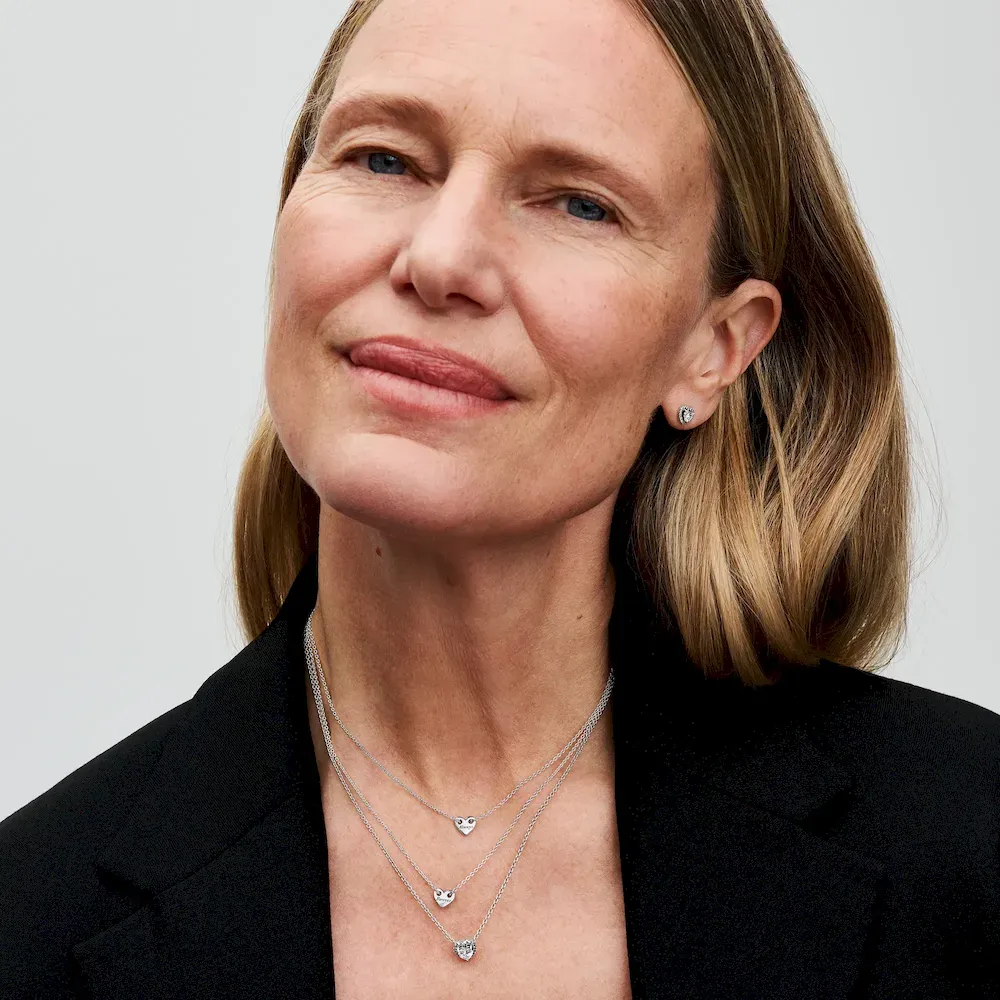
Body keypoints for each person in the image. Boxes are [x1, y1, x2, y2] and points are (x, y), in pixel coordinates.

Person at [3, 0, 999, 995]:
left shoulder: (970, 852)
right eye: (384, 159)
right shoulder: (28, 925)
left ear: (715, 345)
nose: (440, 260)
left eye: (578, 205)